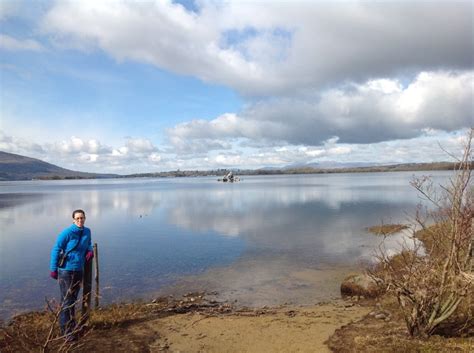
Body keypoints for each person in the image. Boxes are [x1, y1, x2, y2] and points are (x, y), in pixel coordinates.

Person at [50, 209, 94, 341]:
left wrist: (90, 251)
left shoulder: (87, 231)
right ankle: (66, 332)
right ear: (73, 220)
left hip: (79, 270)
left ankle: (71, 325)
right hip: (66, 271)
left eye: (82, 218)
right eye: (77, 218)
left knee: (73, 299)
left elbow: (89, 243)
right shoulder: (67, 233)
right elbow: (56, 249)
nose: (80, 220)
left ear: (85, 218)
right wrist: (53, 269)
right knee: (66, 301)